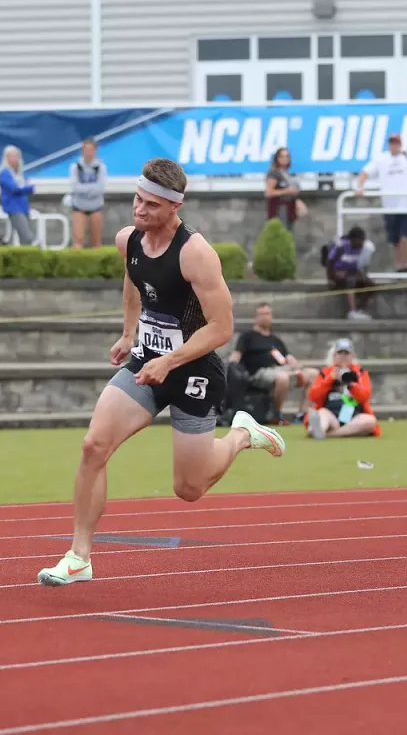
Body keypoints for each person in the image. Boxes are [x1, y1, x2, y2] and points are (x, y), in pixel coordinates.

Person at [37, 158, 285, 586]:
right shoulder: (128, 240)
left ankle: (243, 434)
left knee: (189, 489)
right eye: (137, 200)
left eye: (151, 205)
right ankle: (79, 556)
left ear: (174, 208)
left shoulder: (196, 255)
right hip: (145, 361)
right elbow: (134, 280)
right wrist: (129, 332)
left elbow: (222, 329)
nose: (139, 211)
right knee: (94, 446)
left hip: (194, 370)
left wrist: (169, 360)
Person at [229, 303, 317, 423]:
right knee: (282, 377)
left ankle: (302, 414)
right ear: (255, 317)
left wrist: (298, 368)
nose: (265, 317)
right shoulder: (247, 337)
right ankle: (276, 415)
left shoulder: (276, 340)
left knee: (313, 374)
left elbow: (289, 359)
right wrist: (232, 369)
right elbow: (235, 358)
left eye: (268, 314)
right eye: (262, 314)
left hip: (281, 369)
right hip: (258, 373)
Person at [355, 133, 407, 272]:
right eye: (391, 143)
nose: (394, 145)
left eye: (396, 143)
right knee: (394, 239)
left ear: (401, 144)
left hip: (406, 205)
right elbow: (365, 173)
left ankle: (406, 266)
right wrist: (359, 187)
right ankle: (399, 267)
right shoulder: (381, 159)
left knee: (405, 237)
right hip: (389, 206)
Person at [304, 338, 381, 440]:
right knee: (321, 414)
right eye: (340, 353)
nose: (343, 356)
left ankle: (328, 434)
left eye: (346, 353)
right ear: (334, 356)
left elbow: (365, 397)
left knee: (370, 421)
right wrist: (329, 379)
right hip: (331, 414)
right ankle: (319, 429)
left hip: (353, 416)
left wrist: (351, 384)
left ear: (352, 356)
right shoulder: (325, 373)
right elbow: (313, 396)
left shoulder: (360, 373)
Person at [324, 225, 376, 320]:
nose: (360, 244)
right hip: (337, 274)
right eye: (359, 241)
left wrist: (364, 276)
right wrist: (330, 279)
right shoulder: (341, 246)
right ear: (352, 240)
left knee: (370, 285)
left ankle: (361, 310)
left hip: (353, 272)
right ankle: (352, 312)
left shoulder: (364, 248)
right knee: (350, 279)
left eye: (362, 241)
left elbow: (364, 264)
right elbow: (329, 262)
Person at [68, 138, 106, 248]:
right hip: (79, 206)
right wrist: (90, 190)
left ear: (95, 151)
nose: (88, 153)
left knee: (96, 241)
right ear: (82, 151)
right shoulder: (75, 167)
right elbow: (75, 188)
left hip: (96, 206)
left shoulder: (101, 168)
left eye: (91, 150)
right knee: (78, 239)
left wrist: (85, 189)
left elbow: (100, 188)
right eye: (86, 150)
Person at [0, 145, 36, 246]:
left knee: (30, 235)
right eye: (11, 156)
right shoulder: (4, 173)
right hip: (13, 208)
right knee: (26, 236)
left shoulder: (21, 173)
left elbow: (31, 187)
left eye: (16, 156)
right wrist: (25, 188)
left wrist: (24, 188)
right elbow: (14, 188)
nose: (14, 158)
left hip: (24, 207)